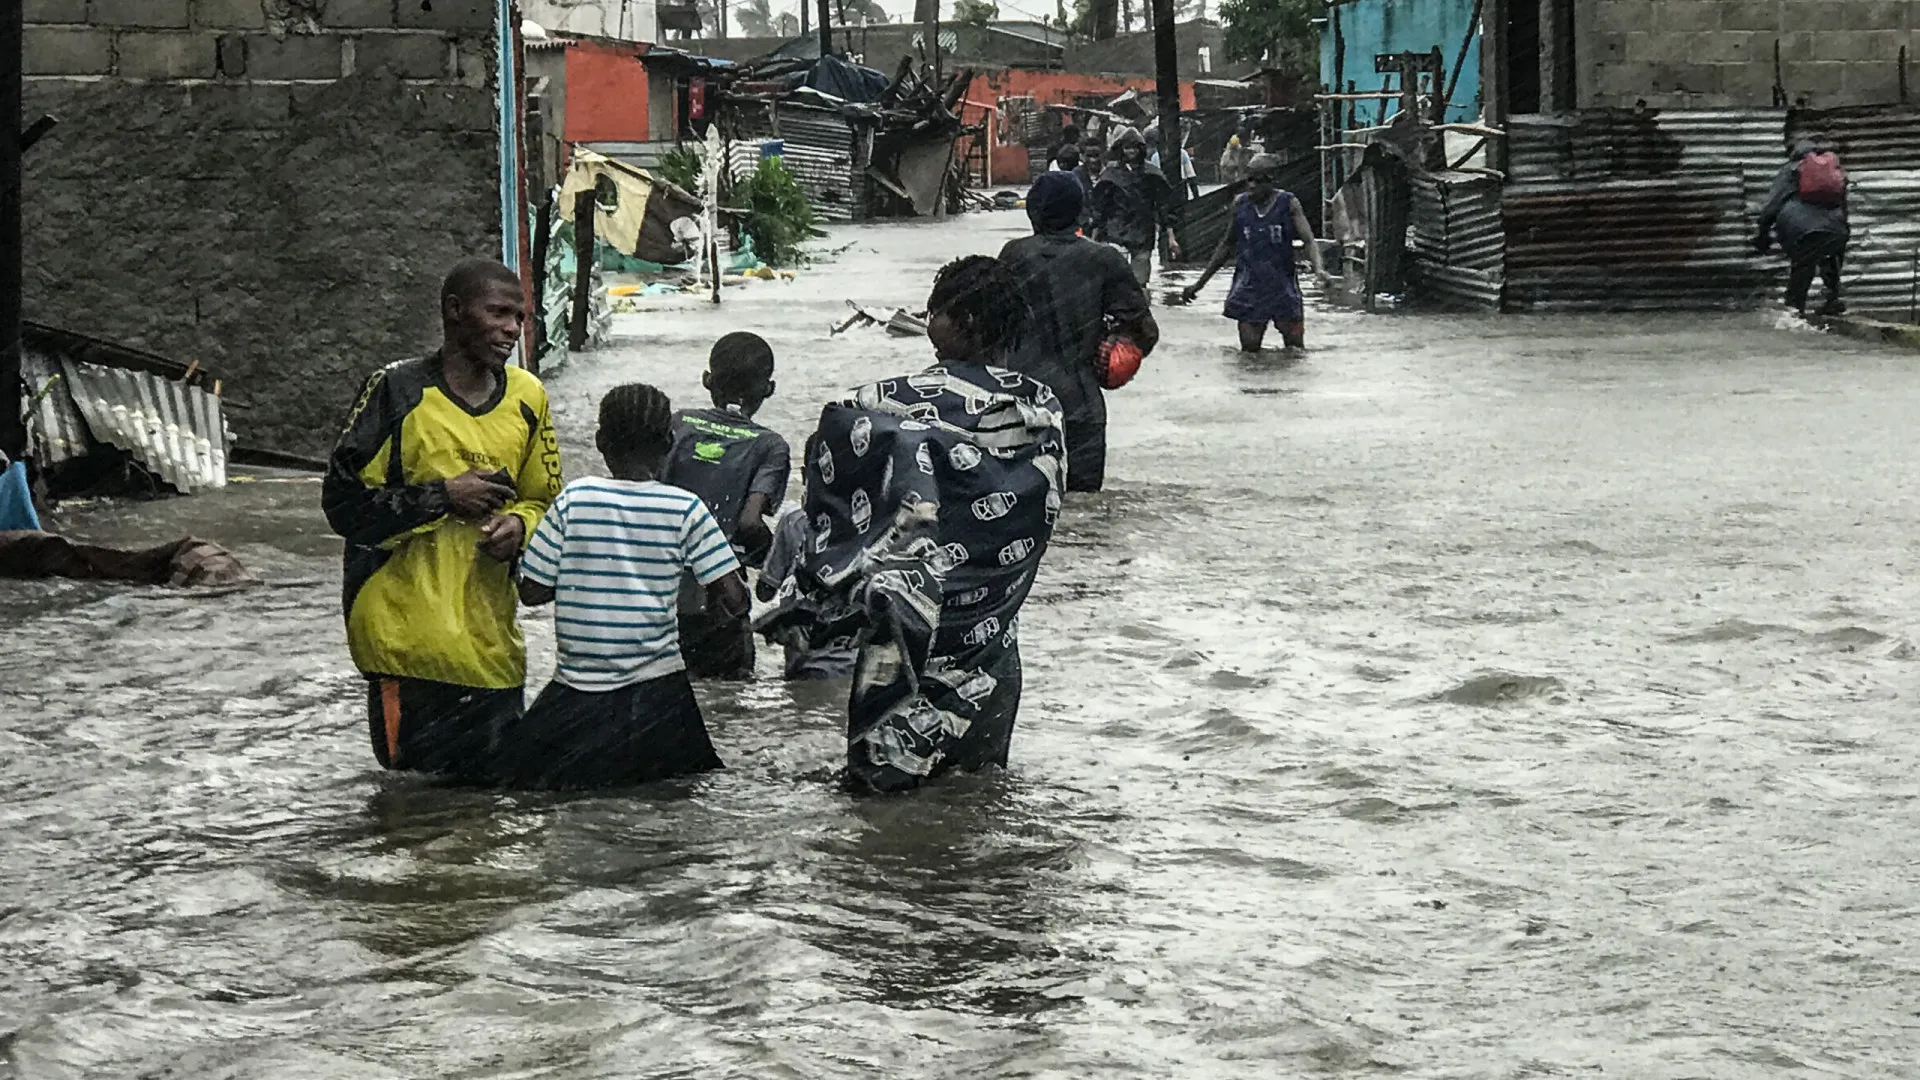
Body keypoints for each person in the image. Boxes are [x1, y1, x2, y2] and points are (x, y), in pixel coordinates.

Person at [758, 256, 1066, 793]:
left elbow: (837, 489)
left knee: (882, 793)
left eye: (935, 311)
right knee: (977, 791)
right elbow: (1036, 511)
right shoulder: (1039, 406)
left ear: (963, 321)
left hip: (902, 640)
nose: (928, 322)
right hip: (991, 642)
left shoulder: (883, 401)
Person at [323, 258, 561, 779]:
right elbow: (342, 505)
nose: (511, 329)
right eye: (498, 313)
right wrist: (441, 497)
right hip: (405, 649)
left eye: (519, 318)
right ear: (454, 312)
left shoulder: (528, 398)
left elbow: (548, 502)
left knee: (490, 821)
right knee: (414, 812)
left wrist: (522, 525)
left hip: (492, 651)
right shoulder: (396, 392)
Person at [507, 383, 751, 788]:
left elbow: (532, 591)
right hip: (661, 700)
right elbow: (735, 599)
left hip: (577, 696)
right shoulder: (686, 508)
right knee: (672, 803)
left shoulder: (574, 499)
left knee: (528, 791)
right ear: (669, 442)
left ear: (600, 442)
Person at [1000, 170, 1159, 493]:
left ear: (1033, 212)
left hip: (1019, 405)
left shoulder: (1013, 255)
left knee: (1019, 507)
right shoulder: (1103, 259)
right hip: (1080, 407)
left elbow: (987, 327)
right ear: (1080, 212)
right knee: (1084, 513)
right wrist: (1114, 345)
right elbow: (1146, 332)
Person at [658, 331, 790, 679]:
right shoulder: (769, 446)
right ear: (769, 389)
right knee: (726, 708)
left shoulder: (678, 423)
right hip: (720, 601)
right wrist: (772, 560)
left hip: (660, 597)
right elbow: (749, 523)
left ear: (707, 380)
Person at [1181, 154, 1331, 352]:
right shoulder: (1240, 205)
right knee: (1249, 352)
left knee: (1295, 350)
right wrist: (1199, 284)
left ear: (1272, 182)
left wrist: (1318, 269)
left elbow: (1309, 240)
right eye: (1249, 179)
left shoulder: (1288, 203)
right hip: (1249, 287)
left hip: (1282, 286)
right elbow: (1226, 245)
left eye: (1258, 180)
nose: (1251, 185)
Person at [754, 500, 858, 680]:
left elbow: (765, 592)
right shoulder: (879, 523)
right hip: (850, 664)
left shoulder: (794, 518)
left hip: (800, 656)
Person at [1757, 135, 1849, 317]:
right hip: (1837, 228)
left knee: (1802, 268)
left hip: (1800, 230)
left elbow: (1772, 205)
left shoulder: (1791, 169)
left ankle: (1793, 315)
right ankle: (1833, 299)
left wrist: (1762, 233)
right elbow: (1843, 205)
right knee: (1830, 256)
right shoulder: (1835, 171)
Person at [1091, 125, 1179, 286]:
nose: (1131, 152)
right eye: (1127, 148)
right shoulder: (1110, 174)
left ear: (1141, 149)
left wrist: (1171, 237)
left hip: (1143, 231)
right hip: (1116, 231)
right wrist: (1095, 236)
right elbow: (1100, 207)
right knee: (1117, 279)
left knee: (1140, 282)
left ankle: (1140, 307)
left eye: (1134, 148)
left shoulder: (1152, 174)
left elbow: (1164, 205)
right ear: (1121, 149)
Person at [1073, 141, 1105, 233]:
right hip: (1083, 225)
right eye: (1089, 156)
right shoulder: (1076, 174)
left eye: (1096, 156)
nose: (1093, 160)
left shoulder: (1109, 173)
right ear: (1083, 157)